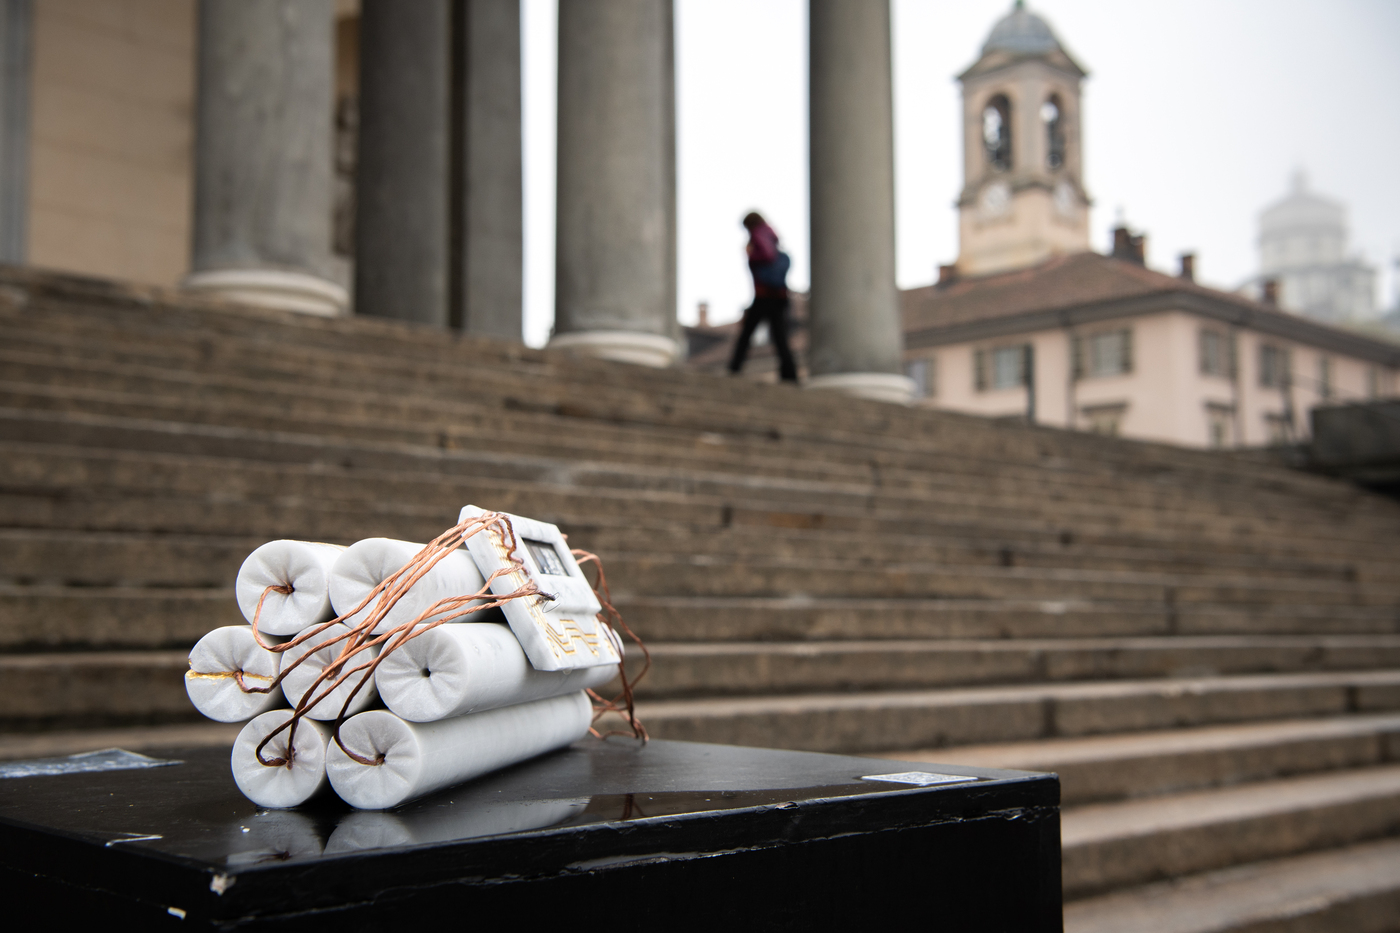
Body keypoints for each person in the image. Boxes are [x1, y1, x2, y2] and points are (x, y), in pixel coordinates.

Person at [728, 212, 798, 383]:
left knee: (748, 331)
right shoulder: (771, 234)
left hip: (765, 294)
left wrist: (751, 254)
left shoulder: (758, 234)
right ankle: (789, 374)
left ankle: (734, 367)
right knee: (779, 335)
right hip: (779, 294)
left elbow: (767, 255)